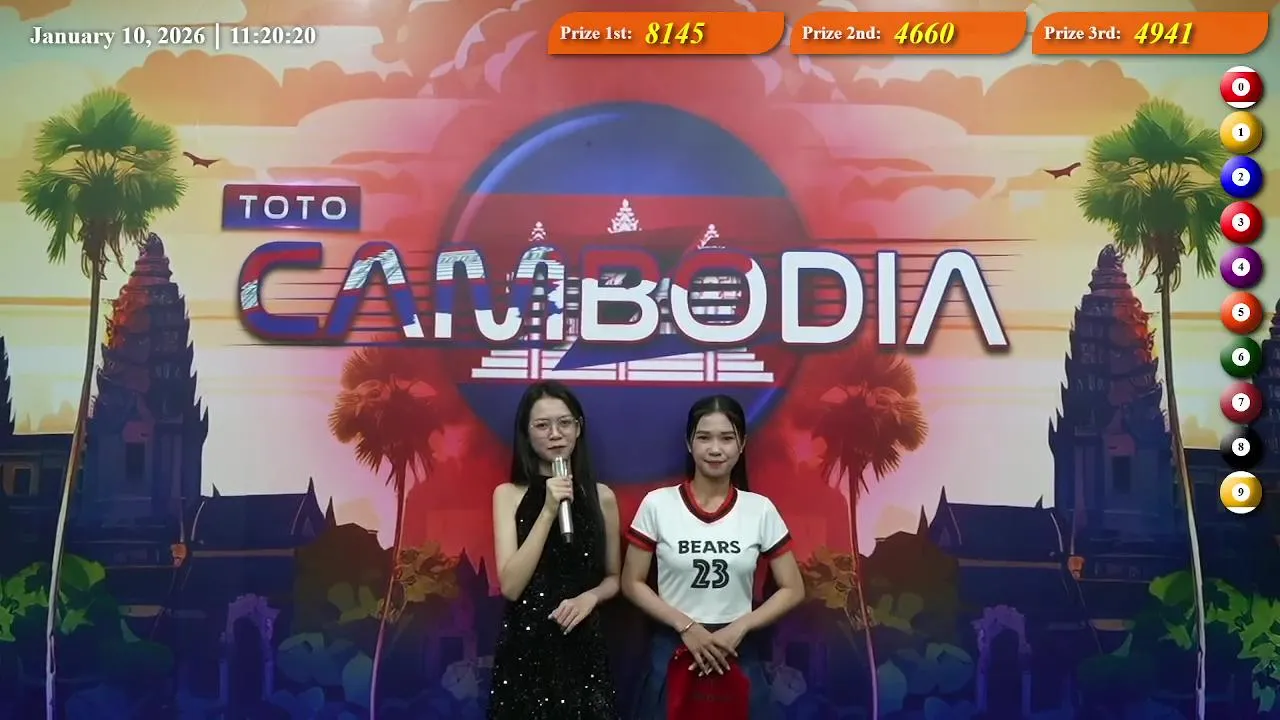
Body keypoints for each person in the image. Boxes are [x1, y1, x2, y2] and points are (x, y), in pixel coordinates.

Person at [622, 394, 805, 719]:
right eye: (704, 437)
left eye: (727, 438)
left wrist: (741, 626)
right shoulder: (657, 504)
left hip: (735, 649)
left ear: (742, 444)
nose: (715, 449)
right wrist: (686, 626)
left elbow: (793, 588)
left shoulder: (759, 509)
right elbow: (631, 582)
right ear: (689, 443)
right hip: (673, 648)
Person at [488, 381, 622, 719]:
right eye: (542, 425)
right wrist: (549, 509)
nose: (555, 434)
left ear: (578, 427)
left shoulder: (602, 497)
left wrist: (589, 598)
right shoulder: (508, 495)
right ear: (526, 432)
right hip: (526, 648)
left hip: (582, 645)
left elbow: (613, 578)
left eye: (564, 423)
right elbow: (511, 585)